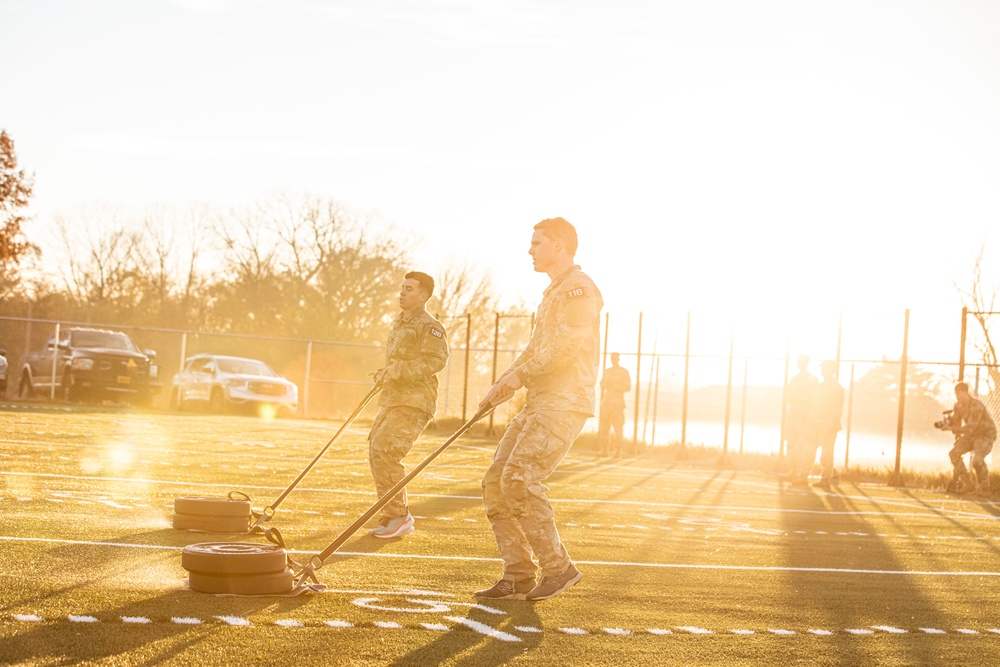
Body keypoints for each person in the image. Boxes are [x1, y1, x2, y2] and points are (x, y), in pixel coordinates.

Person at [475, 217, 603, 602]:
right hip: (539, 403)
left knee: (520, 476)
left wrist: (520, 376)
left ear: (559, 246)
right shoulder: (553, 293)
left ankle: (559, 569)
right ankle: (517, 574)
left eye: (537, 243)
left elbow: (567, 347)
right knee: (496, 481)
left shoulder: (579, 290)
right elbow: (535, 349)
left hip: (565, 404)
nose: (530, 250)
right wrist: (504, 381)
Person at [366, 271, 449, 538]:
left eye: (409, 289)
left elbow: (436, 361)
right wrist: (385, 372)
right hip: (392, 399)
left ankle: (399, 517)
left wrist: (399, 370)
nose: (402, 292)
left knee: (386, 450)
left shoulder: (429, 325)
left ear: (423, 296)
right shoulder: (399, 323)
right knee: (376, 450)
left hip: (415, 401)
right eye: (402, 288)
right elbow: (398, 361)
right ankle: (392, 514)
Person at [947, 382, 996, 497]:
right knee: (954, 454)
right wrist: (946, 423)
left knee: (977, 460)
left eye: (959, 393)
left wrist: (953, 429)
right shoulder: (958, 405)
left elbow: (970, 427)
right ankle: (968, 484)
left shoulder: (977, 406)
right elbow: (955, 419)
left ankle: (985, 489)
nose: (957, 396)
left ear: (965, 392)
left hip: (985, 435)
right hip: (971, 435)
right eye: (956, 394)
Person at [803, 360, 845, 488]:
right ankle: (803, 475)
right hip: (815, 424)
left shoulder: (836, 388)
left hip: (827, 426)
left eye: (825, 368)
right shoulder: (819, 386)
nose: (822, 370)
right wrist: (810, 420)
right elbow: (813, 405)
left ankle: (825, 478)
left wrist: (830, 424)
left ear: (831, 370)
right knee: (809, 450)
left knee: (826, 452)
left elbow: (837, 408)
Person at [784, 355, 817, 485]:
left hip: (806, 417)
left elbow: (813, 399)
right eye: (799, 362)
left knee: (803, 445)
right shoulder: (795, 379)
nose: (800, 364)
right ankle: (792, 471)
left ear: (807, 363)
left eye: (802, 362)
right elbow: (788, 396)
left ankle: (802, 473)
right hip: (794, 415)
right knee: (791, 443)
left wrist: (800, 399)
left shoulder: (812, 380)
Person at [597, 352, 631, 457]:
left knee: (618, 428)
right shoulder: (607, 371)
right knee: (604, 428)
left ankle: (618, 451)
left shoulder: (624, 372)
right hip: (606, 403)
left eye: (615, 358)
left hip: (617, 404)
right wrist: (605, 385)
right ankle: (604, 450)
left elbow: (627, 387)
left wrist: (615, 386)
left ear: (618, 359)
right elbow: (602, 384)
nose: (613, 360)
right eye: (612, 358)